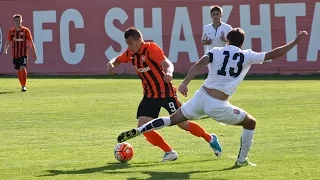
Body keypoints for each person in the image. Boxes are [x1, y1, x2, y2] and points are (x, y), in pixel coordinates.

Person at [117, 28, 308, 166]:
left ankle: (142, 129)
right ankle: (241, 161)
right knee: (251, 122)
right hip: (217, 105)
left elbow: (200, 64)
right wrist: (295, 42)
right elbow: (274, 54)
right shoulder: (247, 55)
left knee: (172, 120)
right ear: (241, 43)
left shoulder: (216, 51)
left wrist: (185, 83)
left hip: (201, 96)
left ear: (227, 41)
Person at [107, 27, 221, 162]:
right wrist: (111, 63)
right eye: (127, 44)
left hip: (166, 94)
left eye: (131, 43)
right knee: (142, 127)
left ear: (139, 40)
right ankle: (169, 151)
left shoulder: (151, 49)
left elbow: (167, 63)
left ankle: (210, 138)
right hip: (149, 95)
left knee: (183, 124)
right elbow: (118, 59)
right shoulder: (131, 54)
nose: (129, 47)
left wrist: (168, 72)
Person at [4, 14, 37, 92]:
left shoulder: (26, 31)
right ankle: (22, 85)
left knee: (23, 67)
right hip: (15, 54)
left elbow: (31, 42)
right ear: (14, 22)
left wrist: (34, 52)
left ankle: (24, 85)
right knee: (18, 70)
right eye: (16, 21)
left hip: (24, 53)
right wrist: (5, 50)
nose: (18, 22)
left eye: (19, 20)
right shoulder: (11, 31)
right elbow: (7, 42)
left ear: (21, 21)